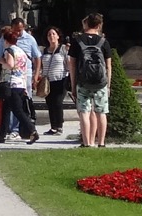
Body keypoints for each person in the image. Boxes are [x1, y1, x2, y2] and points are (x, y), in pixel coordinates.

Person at [0, 19, 42, 136]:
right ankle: (4, 131)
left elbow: (12, 64)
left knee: (18, 106)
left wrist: (35, 75)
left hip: (16, 79)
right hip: (18, 78)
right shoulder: (14, 47)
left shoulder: (20, 45)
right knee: (8, 105)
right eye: (15, 31)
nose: (17, 33)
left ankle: (25, 129)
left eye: (20, 30)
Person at [71, 12, 114, 148]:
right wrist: (108, 85)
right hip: (100, 82)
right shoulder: (103, 42)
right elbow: (108, 65)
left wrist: (73, 85)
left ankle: (87, 143)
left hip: (83, 81)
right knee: (101, 112)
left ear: (86, 23)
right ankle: (101, 143)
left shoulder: (77, 41)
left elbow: (72, 64)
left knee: (84, 111)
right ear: (99, 25)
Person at [38, 27, 72, 136]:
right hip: (48, 81)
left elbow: (69, 63)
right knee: (50, 103)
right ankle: (53, 127)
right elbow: (41, 65)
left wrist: (71, 77)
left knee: (57, 102)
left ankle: (59, 126)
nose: (51, 36)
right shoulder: (44, 51)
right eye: (49, 34)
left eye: (53, 34)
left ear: (58, 36)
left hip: (61, 79)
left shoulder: (63, 49)